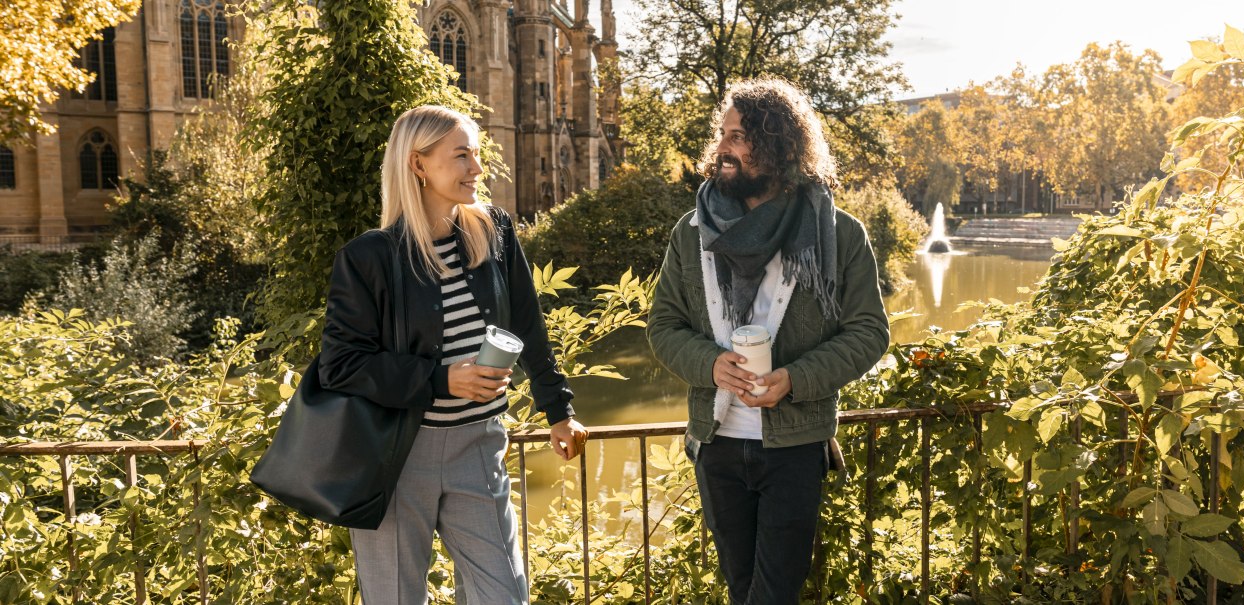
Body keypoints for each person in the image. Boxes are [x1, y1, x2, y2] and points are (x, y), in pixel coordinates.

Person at [318, 105, 588, 604]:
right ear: (418, 165)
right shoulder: (368, 258)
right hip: (396, 456)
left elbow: (527, 324)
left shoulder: (497, 231)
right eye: (461, 155)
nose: (477, 169)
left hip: (479, 446)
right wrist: (442, 380)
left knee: (504, 596)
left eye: (477, 154)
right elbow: (341, 365)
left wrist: (559, 410)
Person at [646, 79, 890, 604]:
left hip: (795, 444)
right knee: (741, 589)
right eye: (723, 135)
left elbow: (869, 331)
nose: (723, 148)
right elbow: (663, 327)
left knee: (775, 593)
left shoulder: (839, 233)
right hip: (718, 443)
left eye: (739, 136)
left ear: (778, 145)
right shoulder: (692, 232)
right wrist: (710, 365)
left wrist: (795, 379)